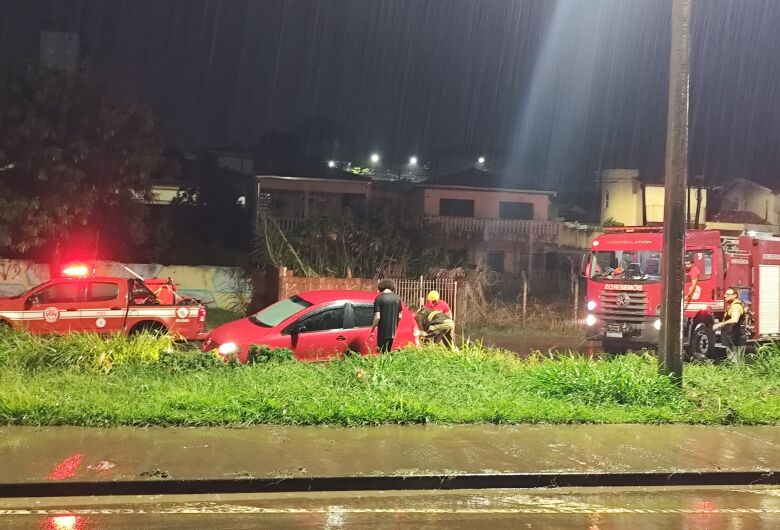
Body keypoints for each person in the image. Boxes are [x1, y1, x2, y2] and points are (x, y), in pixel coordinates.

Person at [370, 279, 403, 353]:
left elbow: (377, 317)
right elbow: (400, 316)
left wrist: (372, 329)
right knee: (389, 351)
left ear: (381, 287)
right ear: (392, 287)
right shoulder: (397, 298)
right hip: (393, 331)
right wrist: (396, 325)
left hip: (382, 331)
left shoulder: (379, 298)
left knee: (382, 351)